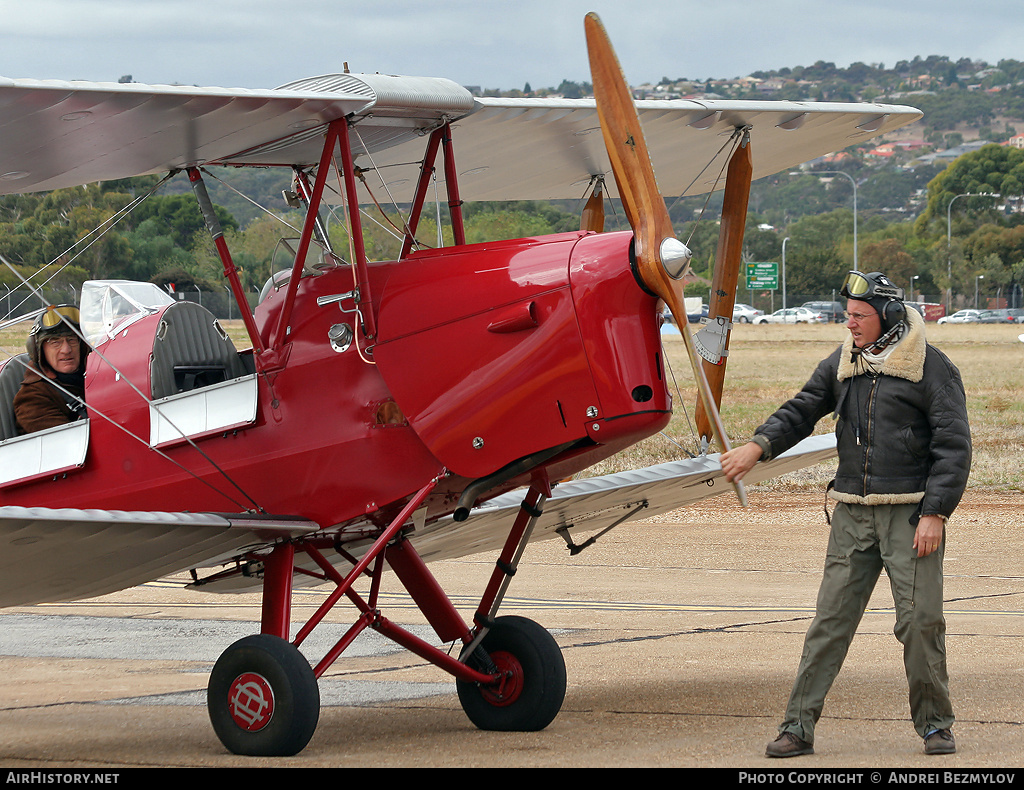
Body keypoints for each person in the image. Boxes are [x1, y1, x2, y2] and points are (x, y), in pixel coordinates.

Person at [720, 271, 971, 758]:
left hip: (910, 515)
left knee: (920, 622)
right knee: (829, 623)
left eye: (859, 316)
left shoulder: (931, 368)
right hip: (852, 514)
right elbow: (804, 407)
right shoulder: (843, 362)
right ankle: (798, 727)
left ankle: (936, 724)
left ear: (889, 317)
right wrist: (759, 445)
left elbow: (953, 447)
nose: (849, 324)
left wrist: (935, 512)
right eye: (847, 315)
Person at [13, 304, 90, 434]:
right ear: (39, 351)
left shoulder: (93, 378)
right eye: (55, 342)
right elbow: (67, 443)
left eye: (71, 340)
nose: (66, 350)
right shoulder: (32, 398)